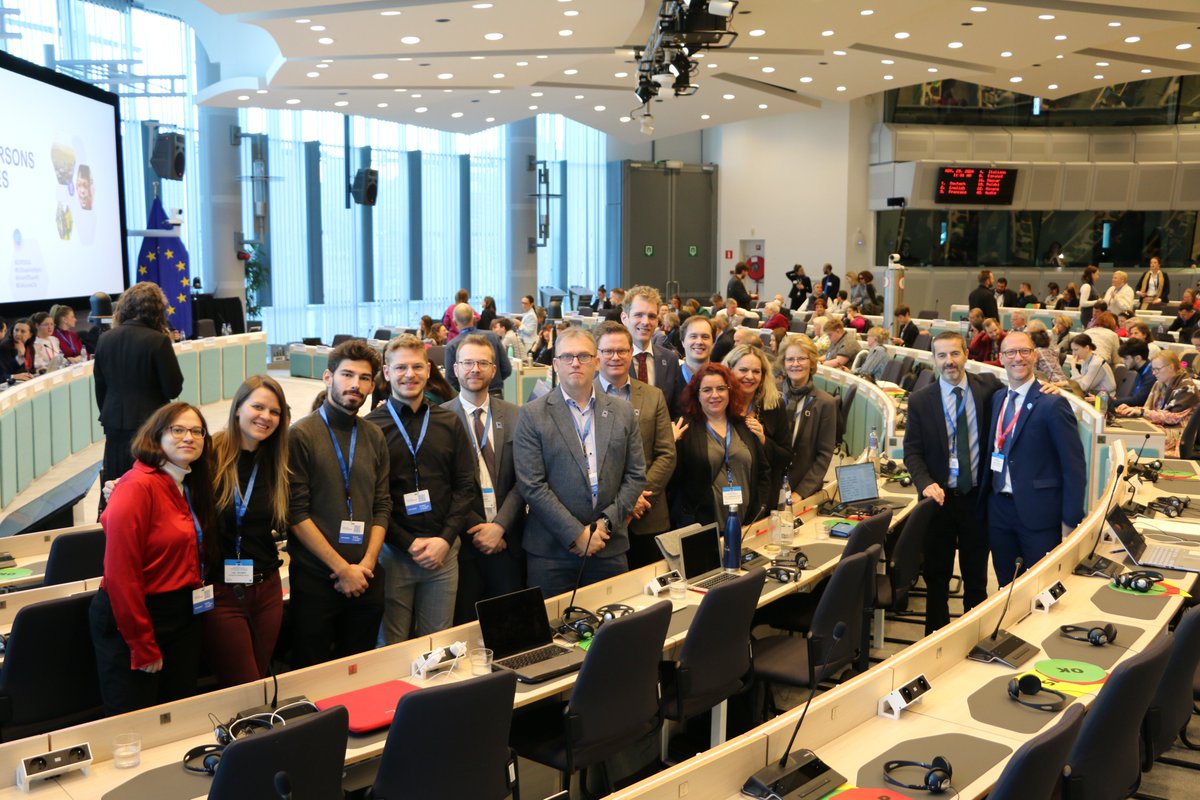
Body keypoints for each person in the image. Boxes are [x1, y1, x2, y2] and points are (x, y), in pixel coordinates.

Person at [89, 402, 216, 715]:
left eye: (197, 431)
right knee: (136, 722)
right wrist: (142, 645)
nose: (189, 437)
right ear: (156, 436)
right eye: (178, 430)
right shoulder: (136, 486)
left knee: (176, 716)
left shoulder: (188, 483)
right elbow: (121, 576)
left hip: (183, 614)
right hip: (137, 619)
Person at [514, 327, 646, 597]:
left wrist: (604, 526)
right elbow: (532, 485)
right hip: (551, 552)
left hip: (609, 546)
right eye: (567, 357)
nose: (575, 363)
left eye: (584, 356)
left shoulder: (622, 412)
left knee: (613, 631)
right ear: (555, 364)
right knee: (553, 633)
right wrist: (577, 534)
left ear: (596, 362)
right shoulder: (531, 414)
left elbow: (635, 476)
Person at [366, 335, 477, 644]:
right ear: (386, 373)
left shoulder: (449, 422)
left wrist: (444, 540)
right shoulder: (371, 427)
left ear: (429, 370)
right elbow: (371, 498)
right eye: (400, 367)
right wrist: (408, 543)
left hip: (443, 553)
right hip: (393, 554)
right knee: (390, 647)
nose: (409, 374)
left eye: (417, 367)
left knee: (436, 645)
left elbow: (465, 486)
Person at [287, 341, 392, 666]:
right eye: (347, 375)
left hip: (366, 578)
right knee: (312, 673)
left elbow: (382, 505)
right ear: (328, 377)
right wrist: (342, 569)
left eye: (364, 378)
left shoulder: (374, 435)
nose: (355, 385)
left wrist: (366, 565)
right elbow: (296, 512)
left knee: (358, 670)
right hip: (318, 579)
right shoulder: (300, 435)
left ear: (372, 386)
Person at [903, 332, 1001, 633]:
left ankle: (976, 637)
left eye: (955, 354)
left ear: (966, 355)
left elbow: (1022, 392)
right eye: (942, 355)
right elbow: (912, 452)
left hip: (975, 499)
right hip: (938, 501)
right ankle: (935, 642)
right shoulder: (921, 400)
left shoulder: (989, 389)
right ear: (934, 359)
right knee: (936, 577)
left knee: (976, 578)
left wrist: (1050, 389)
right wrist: (925, 483)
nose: (949, 362)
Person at [202, 376, 290, 688]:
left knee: (261, 680)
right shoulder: (208, 453)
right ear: (238, 408)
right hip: (221, 590)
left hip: (266, 588)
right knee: (244, 687)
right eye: (258, 406)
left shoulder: (277, 461)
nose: (265, 417)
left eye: (275, 412)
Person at [983, 332, 1087, 585]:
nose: (1018, 358)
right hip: (1000, 511)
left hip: (1039, 514)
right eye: (1010, 353)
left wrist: (1070, 522)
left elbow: (1074, 467)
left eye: (1024, 351)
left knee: (1040, 589)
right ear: (1001, 358)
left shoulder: (1052, 403)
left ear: (1035, 355)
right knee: (1005, 586)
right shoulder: (998, 398)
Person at [444, 335, 526, 622]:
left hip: (510, 540)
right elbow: (444, 486)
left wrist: (500, 526)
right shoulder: (440, 418)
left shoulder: (517, 415)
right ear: (455, 369)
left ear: (494, 370)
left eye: (482, 362)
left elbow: (526, 479)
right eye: (467, 362)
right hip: (465, 545)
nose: (474, 369)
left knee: (512, 625)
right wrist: (479, 528)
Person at [594, 322, 676, 569]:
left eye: (622, 351)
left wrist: (636, 498)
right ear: (596, 356)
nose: (615, 357)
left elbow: (666, 454)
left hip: (647, 514)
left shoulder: (653, 396)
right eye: (608, 351)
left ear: (632, 354)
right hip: (601, 517)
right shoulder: (584, 395)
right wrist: (622, 504)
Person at [94, 282, 185, 503]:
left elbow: (100, 385)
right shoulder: (158, 340)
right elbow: (173, 388)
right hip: (150, 425)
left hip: (114, 422)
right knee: (146, 486)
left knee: (114, 485)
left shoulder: (105, 338)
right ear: (156, 310)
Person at [668, 362, 770, 529]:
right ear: (697, 395)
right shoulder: (684, 429)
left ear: (730, 392)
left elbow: (763, 473)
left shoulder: (744, 426)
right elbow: (674, 482)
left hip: (747, 524)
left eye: (721, 389)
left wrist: (757, 515)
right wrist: (670, 446)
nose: (715, 395)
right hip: (703, 526)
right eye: (707, 390)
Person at [775, 336, 837, 501]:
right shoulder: (772, 397)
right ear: (783, 363)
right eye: (790, 359)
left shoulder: (825, 403)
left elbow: (824, 455)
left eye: (802, 358)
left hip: (802, 490)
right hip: (770, 488)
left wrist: (801, 493)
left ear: (812, 363)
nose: (795, 364)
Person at [1115, 351, 1200, 457]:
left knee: (1133, 439)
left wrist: (1141, 412)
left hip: (1176, 433)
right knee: (1126, 432)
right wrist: (1132, 409)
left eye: (1157, 369)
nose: (1154, 373)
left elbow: (1173, 417)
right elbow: (1150, 410)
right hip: (1159, 427)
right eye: (1152, 369)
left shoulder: (1187, 388)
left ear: (1171, 367)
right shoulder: (1159, 384)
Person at [621, 285, 684, 427]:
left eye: (651, 316)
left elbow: (676, 410)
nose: (645, 322)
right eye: (639, 315)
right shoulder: (611, 360)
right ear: (624, 318)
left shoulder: (670, 360)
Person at [444, 303, 511, 395]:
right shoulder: (493, 337)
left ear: (455, 322)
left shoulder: (451, 346)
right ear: (474, 318)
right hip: (495, 394)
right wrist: (490, 380)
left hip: (466, 399)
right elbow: (507, 369)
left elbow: (451, 381)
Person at [1114, 339, 1155, 409]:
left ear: (1138, 358)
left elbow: (1138, 401)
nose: (1122, 361)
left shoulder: (1151, 374)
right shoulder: (1141, 370)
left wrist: (1109, 401)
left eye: (1126, 358)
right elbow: (1132, 397)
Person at [679, 314, 715, 387]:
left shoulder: (724, 378)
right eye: (693, 336)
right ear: (683, 342)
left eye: (705, 337)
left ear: (713, 343)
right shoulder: (669, 380)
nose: (699, 342)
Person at [0, 318, 34, 382]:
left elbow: (30, 370)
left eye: (23, 331)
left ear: (30, 335)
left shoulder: (30, 347)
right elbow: (7, 372)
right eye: (16, 330)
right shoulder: (5, 347)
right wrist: (19, 357)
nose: (18, 334)